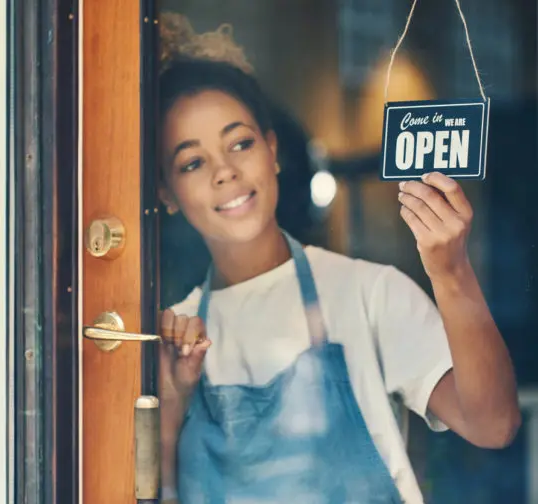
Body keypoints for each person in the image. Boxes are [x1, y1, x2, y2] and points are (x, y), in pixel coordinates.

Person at [157, 13, 521, 504]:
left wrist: (451, 270)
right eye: (193, 162)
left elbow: (493, 425)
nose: (225, 172)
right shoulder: (171, 341)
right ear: (167, 193)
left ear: (272, 149)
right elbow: (150, 489)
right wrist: (175, 396)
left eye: (240, 143)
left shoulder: (368, 292)